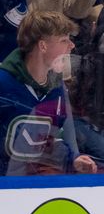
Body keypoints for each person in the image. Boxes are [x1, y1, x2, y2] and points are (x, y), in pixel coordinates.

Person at [0, 10, 97, 176]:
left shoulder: (57, 90)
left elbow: (48, 142)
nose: (72, 46)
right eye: (64, 40)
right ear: (43, 46)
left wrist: (73, 160)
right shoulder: (4, 84)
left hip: (37, 187)